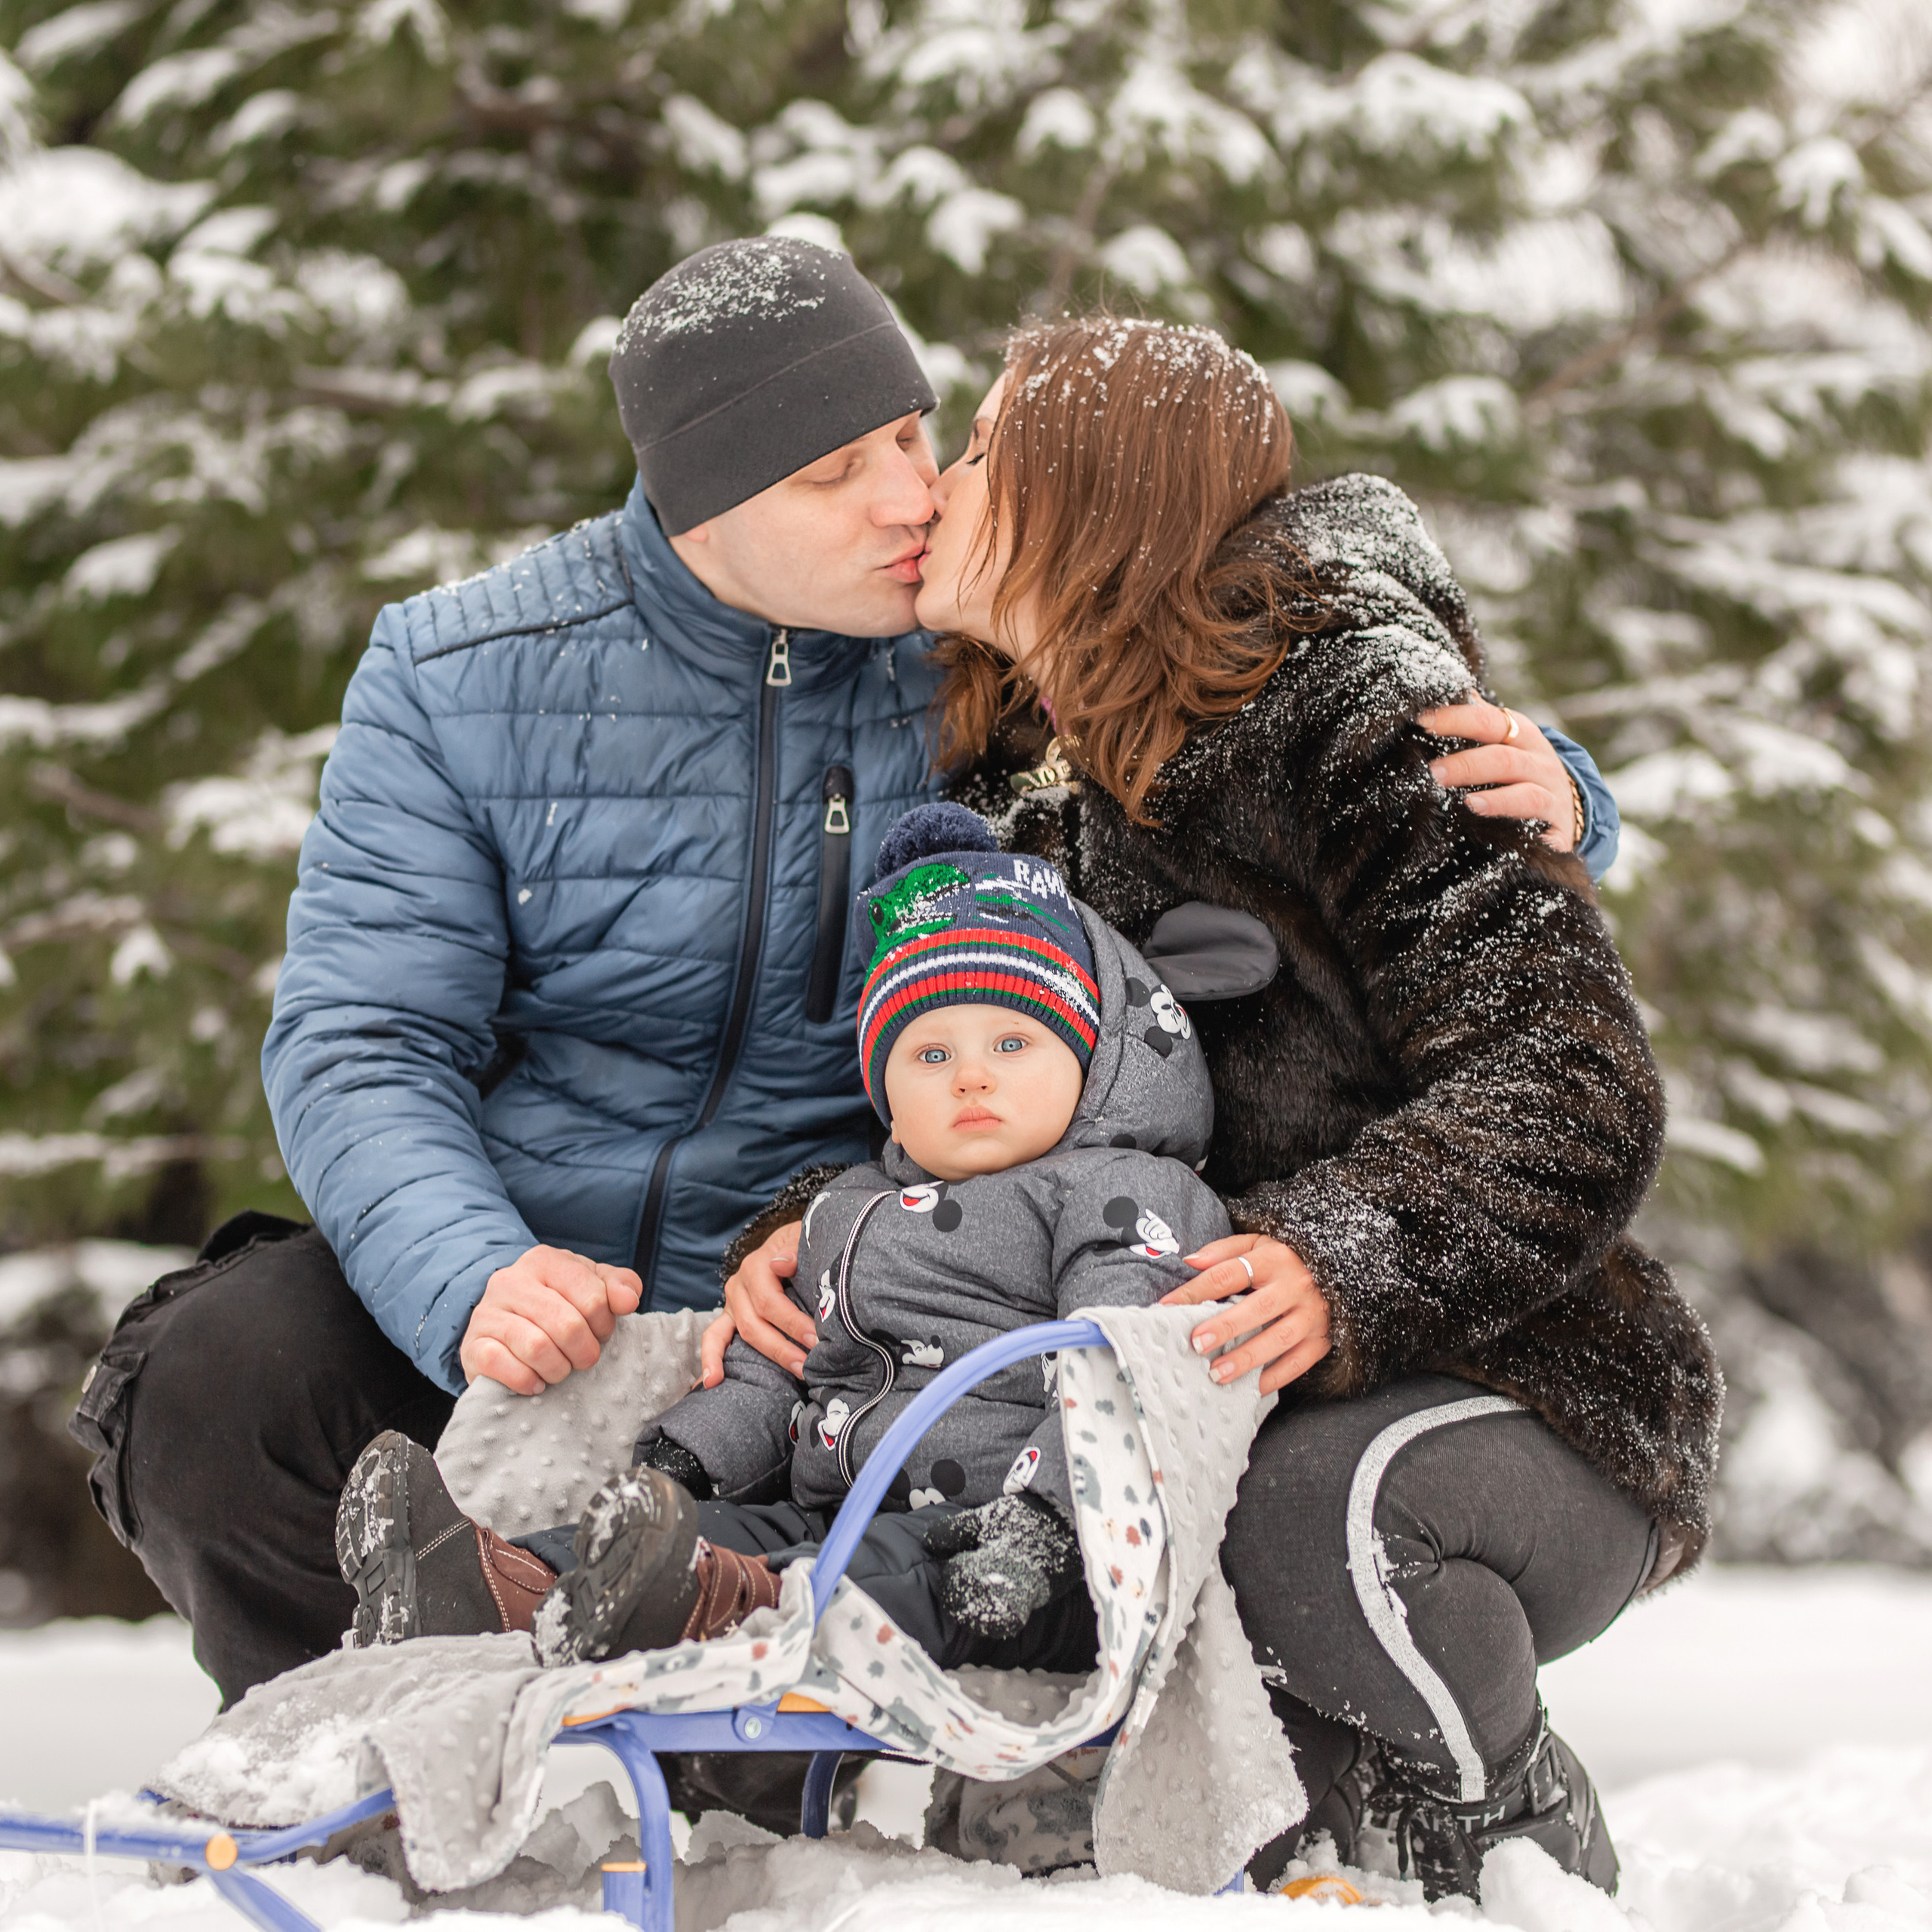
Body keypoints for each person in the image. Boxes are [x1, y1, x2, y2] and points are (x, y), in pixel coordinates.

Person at [69, 235, 1614, 1715]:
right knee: (216, 1374)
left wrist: (1538, 786)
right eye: (834, 472)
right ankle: (369, 1732)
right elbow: (360, 1034)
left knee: (952, 1453)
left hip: (859, 1309)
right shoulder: (462, 674)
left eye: (910, 435)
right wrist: (475, 1270)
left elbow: (1226, 660)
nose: (912, 498)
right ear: (702, 500)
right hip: (543, 1293)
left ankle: (713, 1701)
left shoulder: (976, 659)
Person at [715, 316, 1724, 1903]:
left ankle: (1511, 1824)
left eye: (980, 449)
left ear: (1085, 492)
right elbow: (974, 1090)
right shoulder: (1019, 800)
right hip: (1206, 1407)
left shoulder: (1362, 717)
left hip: (1506, 1383)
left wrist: (1334, 1253)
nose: (945, 489)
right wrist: (810, 1238)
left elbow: (1571, 1084)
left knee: (1295, 1515)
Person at [331, 803, 1227, 1679]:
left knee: (880, 1572)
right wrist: (689, 1456)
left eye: (1011, 1040)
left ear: (1087, 1059)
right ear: (886, 1093)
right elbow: (778, 1362)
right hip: (828, 1507)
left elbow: (1129, 1369)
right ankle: (496, 1580)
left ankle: (717, 1610)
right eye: (930, 1056)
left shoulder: (1123, 1192)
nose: (972, 1077)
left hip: (1017, 1543)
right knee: (729, 1538)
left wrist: (1050, 1522)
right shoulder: (847, 1210)